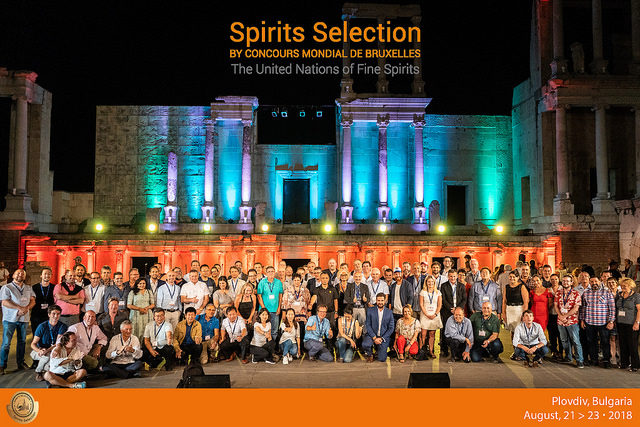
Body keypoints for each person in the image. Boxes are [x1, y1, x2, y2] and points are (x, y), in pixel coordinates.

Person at [0, 269, 35, 374]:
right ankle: (2, 365)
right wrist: (19, 308)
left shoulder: (28, 288)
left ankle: (20, 363)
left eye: (23, 274)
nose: (20, 274)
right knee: (6, 343)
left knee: (22, 342)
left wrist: (27, 308)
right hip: (10, 319)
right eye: (18, 273)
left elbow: (33, 301)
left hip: (24, 319)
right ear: (13, 275)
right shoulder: (6, 287)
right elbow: (5, 302)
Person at [580, 276, 615, 368]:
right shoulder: (586, 293)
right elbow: (583, 308)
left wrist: (611, 321)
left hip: (603, 322)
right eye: (591, 282)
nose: (594, 283)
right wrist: (582, 320)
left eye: (596, 281)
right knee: (591, 342)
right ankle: (594, 359)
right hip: (589, 322)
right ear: (589, 283)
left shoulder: (607, 293)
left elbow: (612, 308)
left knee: (605, 342)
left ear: (600, 282)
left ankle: (606, 360)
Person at [30, 305, 67, 381]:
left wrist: (47, 350)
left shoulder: (62, 326)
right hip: (39, 351)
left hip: (53, 349)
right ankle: (39, 372)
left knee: (50, 359)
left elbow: (57, 343)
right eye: (53, 313)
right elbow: (33, 344)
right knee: (46, 356)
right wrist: (39, 351)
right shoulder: (42, 326)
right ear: (49, 314)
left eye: (58, 314)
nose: (56, 316)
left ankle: (46, 372)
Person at [554, 275, 584, 368]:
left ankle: (579, 360)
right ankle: (568, 357)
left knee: (575, 341)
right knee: (564, 340)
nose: (565, 282)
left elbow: (576, 308)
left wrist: (565, 316)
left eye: (567, 281)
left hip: (572, 321)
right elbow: (556, 306)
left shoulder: (576, 293)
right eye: (564, 281)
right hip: (560, 321)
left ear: (571, 282)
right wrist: (560, 315)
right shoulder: (558, 293)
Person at [439, 269, 467, 357]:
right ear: (448, 276)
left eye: (454, 276)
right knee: (445, 329)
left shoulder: (462, 286)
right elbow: (443, 299)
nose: (453, 278)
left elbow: (464, 299)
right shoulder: (444, 286)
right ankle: (444, 350)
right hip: (447, 311)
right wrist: (451, 309)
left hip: (459, 312)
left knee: (459, 329)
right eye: (451, 276)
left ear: (457, 276)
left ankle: (458, 349)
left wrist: (458, 309)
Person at [615, 278, 640, 372]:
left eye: (624, 286)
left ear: (630, 286)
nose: (622, 287)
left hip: (631, 324)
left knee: (632, 345)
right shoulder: (619, 295)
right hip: (621, 323)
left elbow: (639, 310)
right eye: (621, 286)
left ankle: (635, 365)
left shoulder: (636, 296)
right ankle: (624, 363)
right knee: (622, 344)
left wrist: (637, 322)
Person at [363, 293, 395, 362]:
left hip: (383, 337)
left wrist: (381, 338)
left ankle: (378, 349)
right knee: (365, 344)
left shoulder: (389, 312)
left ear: (385, 301)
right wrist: (374, 337)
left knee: (382, 359)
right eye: (378, 300)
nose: (380, 302)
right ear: (376, 301)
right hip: (372, 335)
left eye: (382, 300)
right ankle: (370, 354)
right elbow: (368, 325)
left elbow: (391, 328)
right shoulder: (370, 310)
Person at [256, 266, 284, 340]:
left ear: (274, 272)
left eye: (272, 271)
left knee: (274, 330)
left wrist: (279, 307)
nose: (271, 273)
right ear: (266, 273)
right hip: (264, 311)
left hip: (275, 310)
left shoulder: (278, 282)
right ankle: (264, 345)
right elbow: (259, 296)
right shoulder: (262, 282)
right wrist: (263, 308)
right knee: (264, 329)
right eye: (269, 271)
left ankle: (272, 345)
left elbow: (280, 295)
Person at [419, 275, 443, 358]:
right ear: (426, 282)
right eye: (428, 281)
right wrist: (426, 314)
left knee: (432, 334)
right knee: (423, 334)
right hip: (425, 315)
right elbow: (421, 304)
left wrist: (435, 314)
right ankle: (421, 351)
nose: (430, 283)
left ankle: (431, 351)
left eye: (432, 282)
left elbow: (439, 305)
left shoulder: (438, 292)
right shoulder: (423, 292)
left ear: (434, 283)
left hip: (434, 315)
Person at [281, 274, 310, 342]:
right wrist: (284, 314)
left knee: (301, 333)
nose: (297, 282)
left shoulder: (305, 290)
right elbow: (284, 302)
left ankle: (301, 347)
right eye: (295, 280)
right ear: (292, 281)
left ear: (301, 280)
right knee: (292, 333)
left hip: (302, 315)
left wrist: (309, 312)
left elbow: (308, 302)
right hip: (291, 316)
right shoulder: (288, 290)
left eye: (298, 280)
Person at [502, 271, 529, 338]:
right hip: (509, 311)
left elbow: (526, 302)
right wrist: (504, 313)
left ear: (518, 277)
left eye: (514, 277)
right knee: (512, 332)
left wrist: (524, 315)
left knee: (520, 332)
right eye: (510, 277)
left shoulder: (522, 287)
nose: (512, 278)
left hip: (519, 311)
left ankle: (520, 344)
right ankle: (514, 344)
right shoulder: (506, 287)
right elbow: (504, 301)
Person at [31, 267, 56, 334]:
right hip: (36, 315)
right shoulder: (34, 287)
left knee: (47, 334)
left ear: (51, 275)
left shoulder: (54, 287)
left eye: (49, 274)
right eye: (45, 274)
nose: (47, 275)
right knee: (36, 334)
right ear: (41, 275)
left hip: (49, 315)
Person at [547, 274, 563, 360]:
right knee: (552, 334)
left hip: (560, 315)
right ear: (550, 281)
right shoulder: (548, 290)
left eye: (556, 279)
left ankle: (561, 352)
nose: (554, 281)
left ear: (558, 279)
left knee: (560, 334)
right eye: (552, 279)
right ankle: (554, 351)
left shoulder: (562, 289)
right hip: (551, 314)